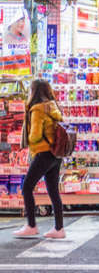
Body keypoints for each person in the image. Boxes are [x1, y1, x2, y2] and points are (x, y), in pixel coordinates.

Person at [15, 80, 65, 239]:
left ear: (34, 92)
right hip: (55, 154)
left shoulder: (37, 109)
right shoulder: (52, 105)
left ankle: (31, 225)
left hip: (43, 153)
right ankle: (59, 228)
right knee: (53, 191)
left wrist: (27, 136)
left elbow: (35, 136)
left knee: (27, 187)